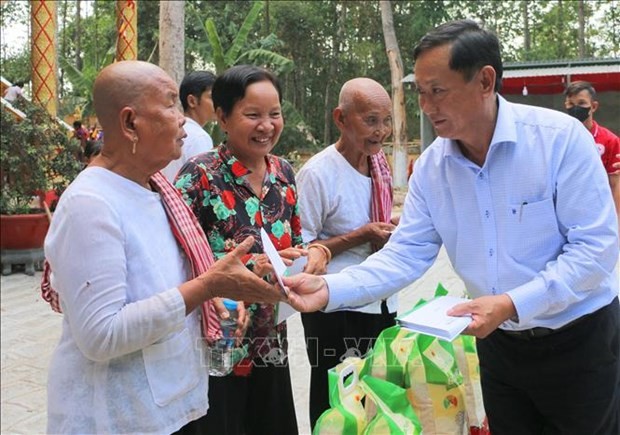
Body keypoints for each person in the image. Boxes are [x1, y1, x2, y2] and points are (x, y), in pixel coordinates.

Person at [283, 20, 619, 435]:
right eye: (420, 93)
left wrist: (511, 302)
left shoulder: (559, 140)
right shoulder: (432, 169)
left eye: (437, 91)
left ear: (485, 80)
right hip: (500, 348)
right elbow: (406, 254)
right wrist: (331, 289)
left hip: (578, 342)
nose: (426, 105)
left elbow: (595, 250)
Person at [43, 60, 283, 434]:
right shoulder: (90, 203)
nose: (183, 119)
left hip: (169, 406)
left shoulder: (156, 188)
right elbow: (101, 335)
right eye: (171, 104)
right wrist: (207, 287)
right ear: (129, 123)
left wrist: (214, 299)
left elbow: (168, 282)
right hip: (118, 417)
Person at [175, 64, 327, 435]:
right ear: (223, 117)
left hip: (271, 340)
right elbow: (174, 257)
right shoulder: (199, 175)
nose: (267, 125)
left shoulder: (284, 173)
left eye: (274, 114)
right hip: (217, 342)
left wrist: (311, 255)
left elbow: (294, 241)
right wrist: (245, 265)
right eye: (253, 115)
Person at [296, 77, 399, 428]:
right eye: (371, 120)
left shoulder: (378, 164)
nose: (381, 131)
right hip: (335, 307)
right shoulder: (317, 173)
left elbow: (377, 220)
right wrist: (362, 234)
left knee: (377, 397)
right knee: (335, 402)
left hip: (382, 299)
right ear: (340, 119)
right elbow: (302, 248)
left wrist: (387, 228)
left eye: (386, 121)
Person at [565, 81, 620, 222]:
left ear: (593, 106)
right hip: (569, 212)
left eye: (581, 103)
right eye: (571, 104)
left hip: (600, 214)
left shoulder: (610, 141)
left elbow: (615, 184)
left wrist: (616, 221)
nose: (575, 108)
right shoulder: (560, 138)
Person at [162, 70, 217, 182]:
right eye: (212, 97)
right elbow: (203, 183)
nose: (219, 103)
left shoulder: (173, 131)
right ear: (192, 101)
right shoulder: (199, 137)